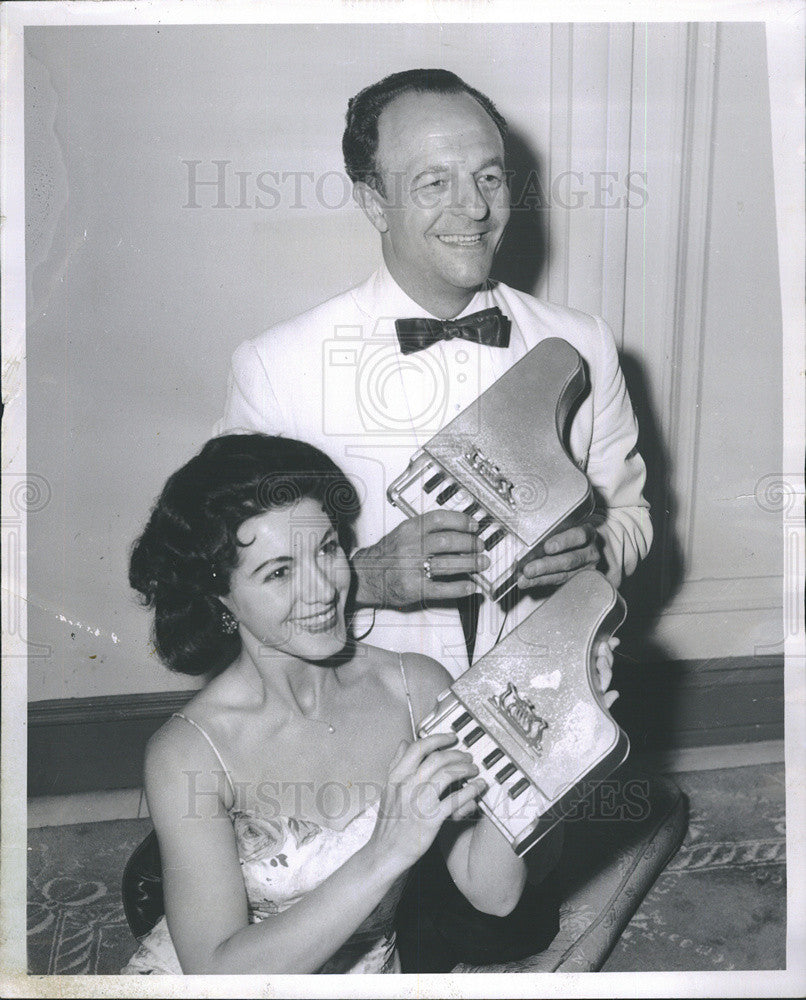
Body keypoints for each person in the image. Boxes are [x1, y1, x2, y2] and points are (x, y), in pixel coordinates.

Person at [121, 433, 620, 975]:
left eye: (328, 549)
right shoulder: (186, 753)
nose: (323, 590)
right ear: (220, 595)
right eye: (279, 572)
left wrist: (548, 738)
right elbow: (215, 975)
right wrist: (386, 852)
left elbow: (490, 891)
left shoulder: (415, 686)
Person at [217, 68, 652, 680]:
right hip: (357, 711)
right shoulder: (275, 369)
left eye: (489, 177)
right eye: (433, 183)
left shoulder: (584, 343)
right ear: (374, 202)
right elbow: (232, 573)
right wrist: (365, 577)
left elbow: (631, 517)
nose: (474, 208)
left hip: (543, 700)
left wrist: (593, 549)